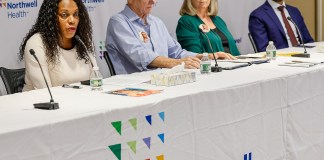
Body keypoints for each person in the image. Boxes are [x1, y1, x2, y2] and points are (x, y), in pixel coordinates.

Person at [105, 0, 235, 75]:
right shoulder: (118, 22)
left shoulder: (157, 22)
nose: (153, 1)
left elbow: (177, 52)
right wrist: (178, 63)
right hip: (136, 88)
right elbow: (141, 56)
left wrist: (207, 56)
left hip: (164, 83)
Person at [19, 0, 97, 91]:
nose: (72, 20)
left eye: (75, 14)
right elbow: (45, 91)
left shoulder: (83, 42)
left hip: (79, 101)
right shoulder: (36, 43)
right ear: (51, 18)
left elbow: (96, 81)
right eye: (64, 15)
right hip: (40, 103)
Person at [249, 0, 314, 52]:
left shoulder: (295, 11)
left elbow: (308, 40)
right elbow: (264, 50)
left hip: (304, 54)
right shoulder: (257, 15)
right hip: (281, 61)